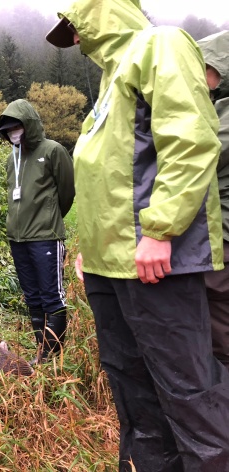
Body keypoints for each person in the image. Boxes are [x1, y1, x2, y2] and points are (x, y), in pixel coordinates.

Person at [46, 0, 229, 470]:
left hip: (154, 264)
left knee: (188, 390)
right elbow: (107, 179)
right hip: (111, 268)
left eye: (76, 28)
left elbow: (190, 139)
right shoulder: (110, 83)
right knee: (134, 390)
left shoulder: (160, 44)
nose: (76, 41)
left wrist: (162, 229)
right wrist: (90, 250)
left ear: (97, 14)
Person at [0, 99, 75, 364]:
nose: (12, 134)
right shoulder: (11, 158)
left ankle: (54, 360)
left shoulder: (53, 150)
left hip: (45, 237)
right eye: (8, 131)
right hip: (18, 239)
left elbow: (67, 192)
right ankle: (41, 356)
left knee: (52, 297)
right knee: (33, 298)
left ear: (28, 125)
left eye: (16, 128)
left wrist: (49, 218)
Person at [199, 31, 229, 368]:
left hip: (224, 232)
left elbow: (203, 152)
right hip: (214, 231)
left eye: (206, 68)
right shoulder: (217, 106)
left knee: (220, 333)